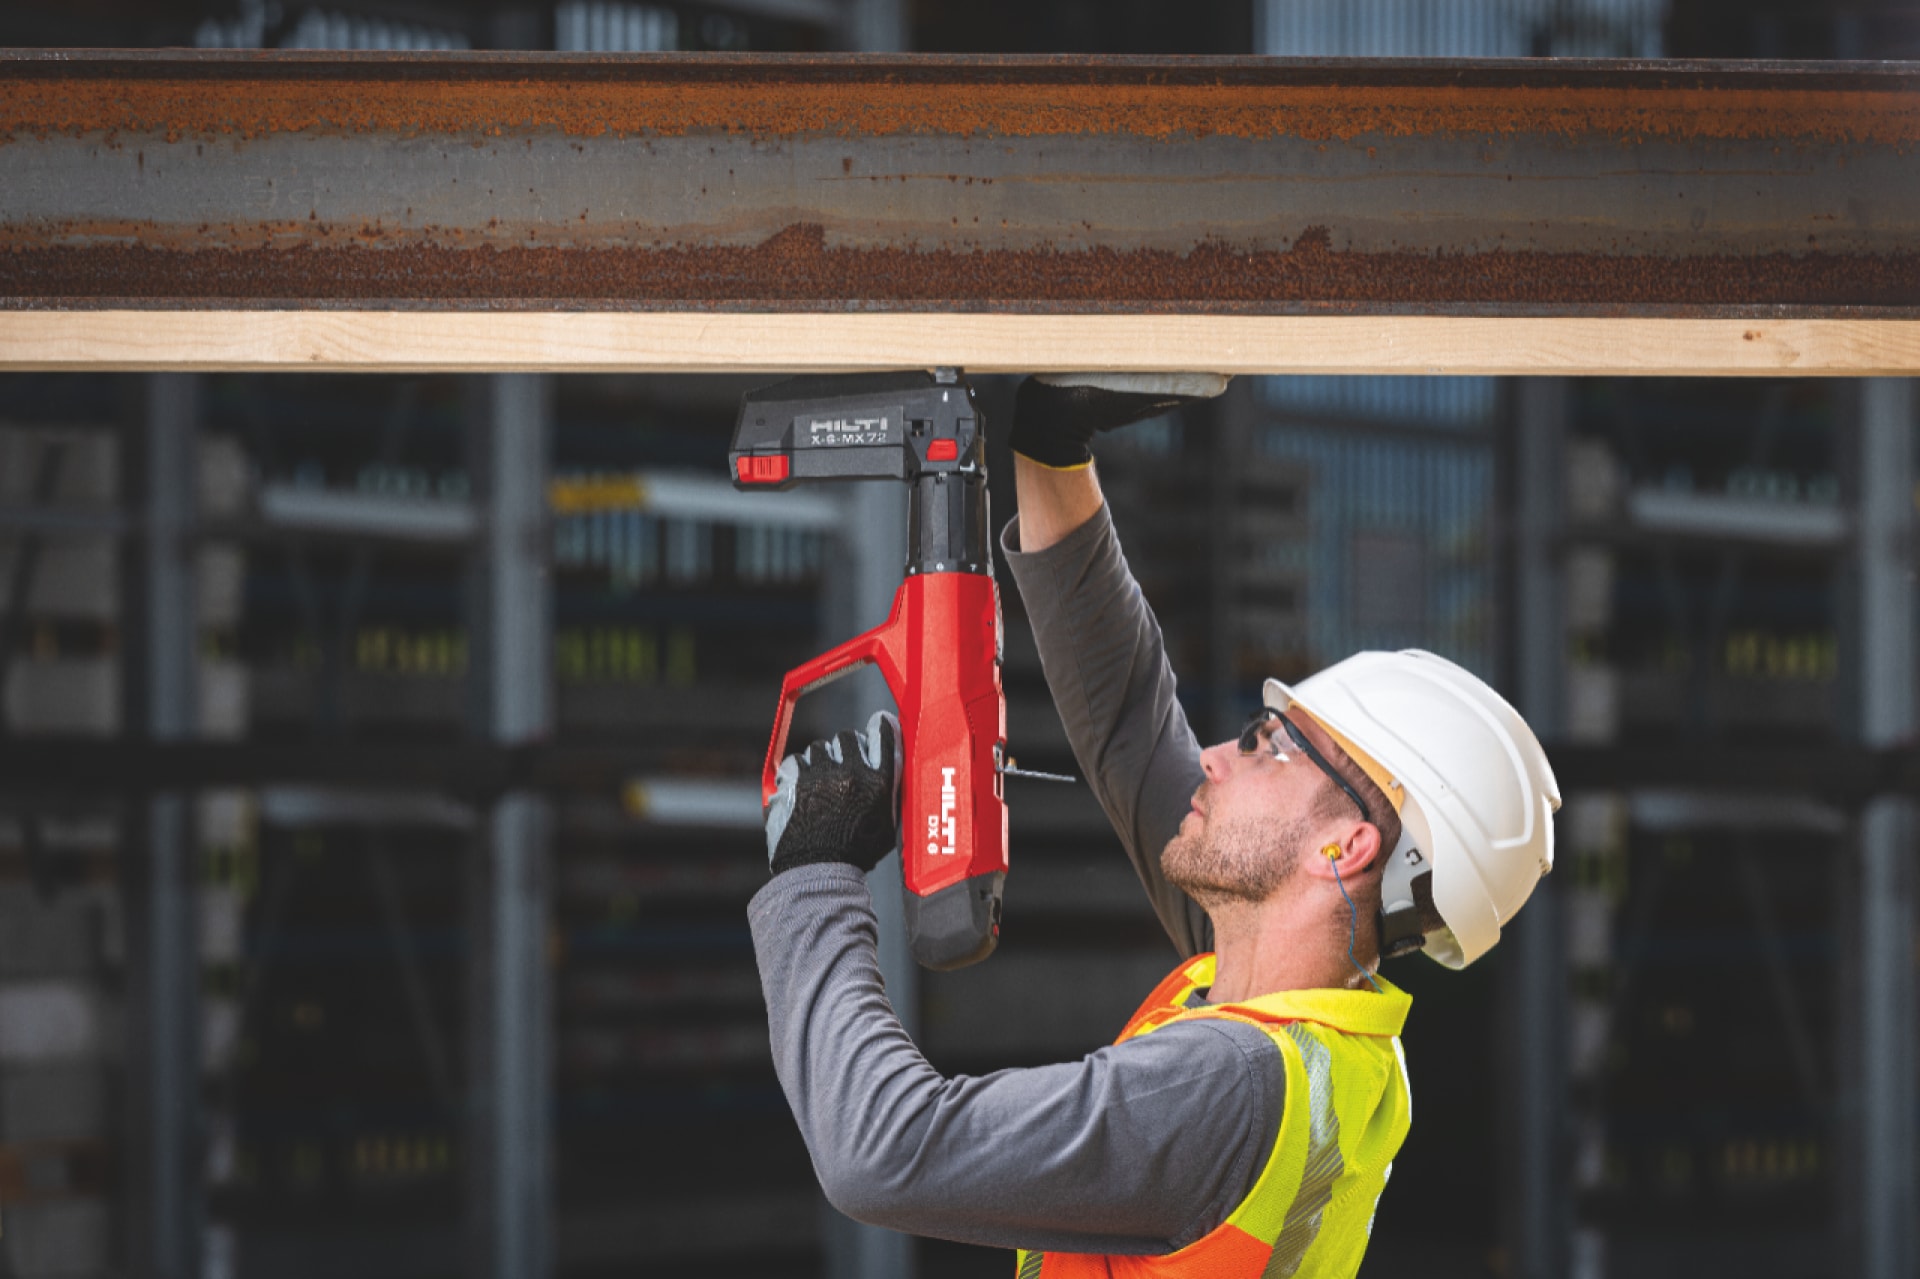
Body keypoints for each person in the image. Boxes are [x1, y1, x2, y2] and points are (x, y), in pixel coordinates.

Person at [748, 374, 1561, 1278]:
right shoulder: (1314, 1033)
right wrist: (1053, 452)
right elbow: (1133, 717)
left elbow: (881, 1152)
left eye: (1269, 745)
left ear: (1348, 846)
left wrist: (813, 876)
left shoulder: (1225, 1088)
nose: (1215, 754)